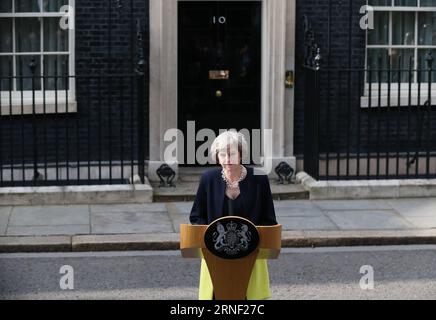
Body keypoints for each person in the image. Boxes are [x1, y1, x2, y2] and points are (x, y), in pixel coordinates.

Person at [189, 131, 278, 300]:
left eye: (231, 154)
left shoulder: (259, 179)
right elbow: (196, 216)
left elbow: (269, 219)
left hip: (250, 252)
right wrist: (208, 235)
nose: (227, 159)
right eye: (222, 154)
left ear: (241, 154)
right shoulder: (208, 179)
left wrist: (258, 238)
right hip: (215, 253)